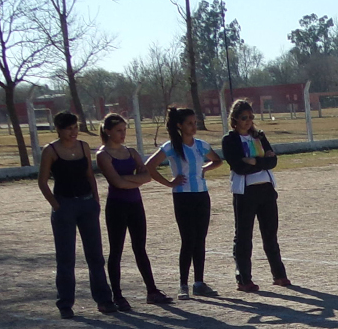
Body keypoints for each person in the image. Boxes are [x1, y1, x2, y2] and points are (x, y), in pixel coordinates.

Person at [37, 112, 116, 319]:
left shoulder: (83, 146)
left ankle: (104, 300)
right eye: (68, 128)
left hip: (86, 204)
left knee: (95, 256)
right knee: (66, 258)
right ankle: (65, 303)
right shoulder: (51, 151)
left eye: (75, 127)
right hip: (65, 205)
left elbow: (89, 174)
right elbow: (43, 181)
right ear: (59, 129)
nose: (73, 132)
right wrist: (56, 206)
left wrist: (95, 200)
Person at [145, 107, 224, 300]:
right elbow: (150, 166)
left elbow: (217, 160)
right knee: (188, 239)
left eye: (195, 122)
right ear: (179, 125)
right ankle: (183, 284)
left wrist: (204, 169)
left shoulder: (201, 145)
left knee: (200, 239)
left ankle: (199, 282)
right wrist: (169, 182)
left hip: (201, 195)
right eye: (189, 123)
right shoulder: (171, 146)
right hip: (183, 197)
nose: (193, 126)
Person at [95, 113, 173, 309]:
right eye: (119, 130)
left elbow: (147, 176)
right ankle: (118, 295)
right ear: (107, 131)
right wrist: (133, 179)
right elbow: (116, 182)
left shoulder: (131, 152)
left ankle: (152, 291)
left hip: (135, 205)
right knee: (116, 250)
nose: (123, 134)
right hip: (116, 206)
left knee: (140, 248)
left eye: (124, 130)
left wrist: (128, 179)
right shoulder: (103, 155)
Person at [221, 100, 289, 292]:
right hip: (245, 193)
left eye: (251, 117)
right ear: (234, 119)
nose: (248, 121)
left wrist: (254, 161)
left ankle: (279, 275)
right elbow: (238, 166)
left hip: (266, 190)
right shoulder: (230, 140)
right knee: (243, 236)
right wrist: (260, 161)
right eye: (244, 118)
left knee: (270, 234)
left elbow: (272, 161)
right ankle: (244, 278)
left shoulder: (259, 136)